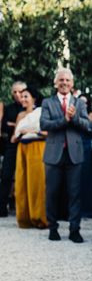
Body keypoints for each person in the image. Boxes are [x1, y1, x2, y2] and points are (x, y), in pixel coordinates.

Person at [40, 68, 92, 243]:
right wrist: (65, 120)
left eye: (68, 80)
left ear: (72, 83)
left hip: (74, 153)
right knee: (52, 192)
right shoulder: (48, 102)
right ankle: (52, 228)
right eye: (61, 80)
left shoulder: (79, 103)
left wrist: (74, 118)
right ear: (56, 83)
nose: (64, 83)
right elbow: (44, 124)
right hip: (54, 153)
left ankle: (74, 229)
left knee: (75, 193)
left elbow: (87, 125)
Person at [12, 86, 47, 228]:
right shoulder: (20, 115)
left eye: (26, 96)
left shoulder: (41, 112)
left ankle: (39, 217)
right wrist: (20, 133)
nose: (23, 99)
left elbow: (47, 132)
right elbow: (13, 138)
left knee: (37, 183)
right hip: (22, 148)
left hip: (37, 146)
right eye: (22, 96)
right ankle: (24, 218)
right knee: (22, 182)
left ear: (34, 98)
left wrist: (31, 131)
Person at [0, 81, 26, 216]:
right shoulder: (9, 108)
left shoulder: (31, 107)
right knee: (6, 175)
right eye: (14, 92)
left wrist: (14, 124)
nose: (17, 94)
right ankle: (2, 207)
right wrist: (19, 125)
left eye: (20, 91)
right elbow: (4, 126)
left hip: (28, 145)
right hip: (11, 145)